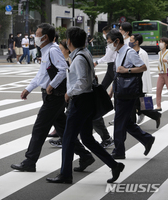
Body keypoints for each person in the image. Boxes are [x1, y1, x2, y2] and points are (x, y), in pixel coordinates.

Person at [11, 23, 95, 173]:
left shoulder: (53, 50)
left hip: (54, 96)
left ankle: (30, 161)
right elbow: (41, 74)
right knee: (63, 129)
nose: (35, 37)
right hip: (51, 95)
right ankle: (85, 155)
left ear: (45, 37)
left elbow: (63, 69)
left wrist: (52, 85)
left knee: (40, 128)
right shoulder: (46, 51)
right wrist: (28, 88)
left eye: (37, 34)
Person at [47, 27, 124, 184]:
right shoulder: (85, 54)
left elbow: (83, 81)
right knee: (87, 139)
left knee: (68, 138)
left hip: (80, 101)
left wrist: (70, 93)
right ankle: (114, 165)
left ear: (69, 42)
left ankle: (65, 174)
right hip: (86, 101)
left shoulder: (80, 58)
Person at [49, 39, 114, 149]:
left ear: (68, 49)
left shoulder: (76, 58)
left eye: (61, 49)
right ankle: (65, 138)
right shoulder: (77, 55)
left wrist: (69, 93)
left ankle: (105, 139)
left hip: (82, 91)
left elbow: (81, 79)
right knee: (75, 116)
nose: (59, 52)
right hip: (79, 90)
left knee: (90, 117)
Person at [107, 29, 155, 160]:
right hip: (119, 91)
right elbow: (117, 74)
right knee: (125, 121)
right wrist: (111, 91)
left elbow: (143, 67)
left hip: (128, 92)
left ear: (117, 41)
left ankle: (119, 150)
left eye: (110, 42)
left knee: (119, 121)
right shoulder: (118, 53)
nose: (109, 45)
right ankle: (147, 139)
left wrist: (127, 69)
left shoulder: (129, 52)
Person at [130, 34, 161, 127]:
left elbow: (143, 69)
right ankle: (155, 115)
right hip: (132, 82)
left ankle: (133, 124)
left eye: (131, 40)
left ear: (136, 42)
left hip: (139, 83)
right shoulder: (131, 51)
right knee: (137, 105)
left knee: (138, 104)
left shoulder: (142, 53)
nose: (129, 42)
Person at [156, 37, 168, 111]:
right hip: (160, 73)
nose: (160, 43)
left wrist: (167, 61)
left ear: (166, 44)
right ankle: (158, 106)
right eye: (160, 41)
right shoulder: (159, 53)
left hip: (167, 73)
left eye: (162, 42)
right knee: (158, 90)